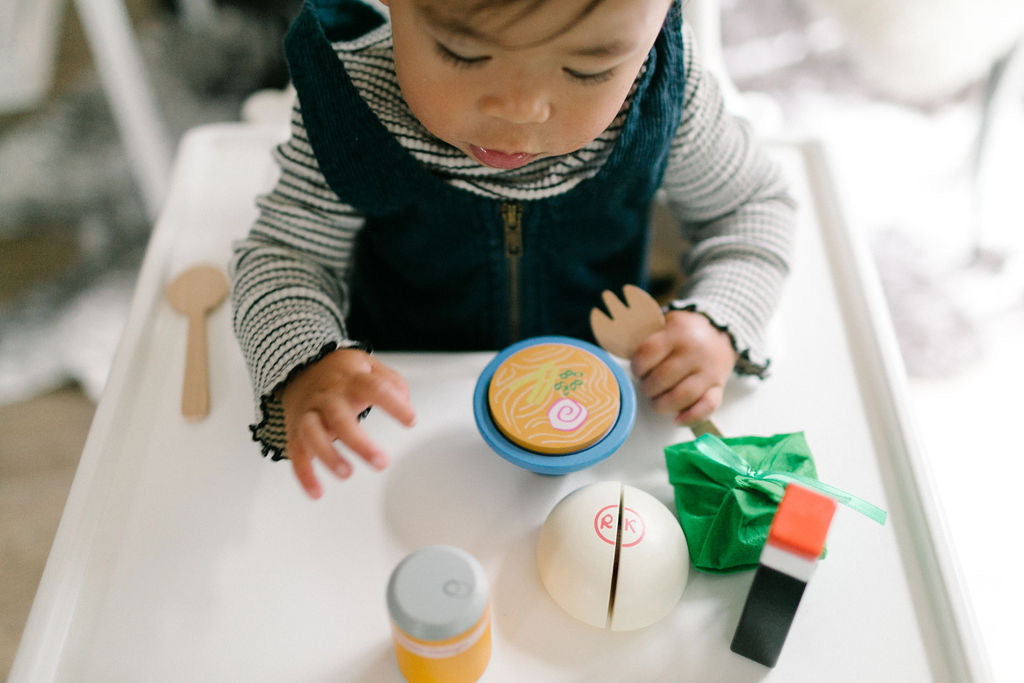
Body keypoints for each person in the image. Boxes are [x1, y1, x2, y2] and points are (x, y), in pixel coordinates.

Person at [230, 0, 796, 499]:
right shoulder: (349, 100)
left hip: (598, 401)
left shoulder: (668, 91)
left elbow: (750, 208)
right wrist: (306, 362)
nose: (521, 108)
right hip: (409, 407)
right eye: (464, 55)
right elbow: (286, 254)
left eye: (587, 68)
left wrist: (717, 323)